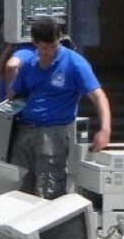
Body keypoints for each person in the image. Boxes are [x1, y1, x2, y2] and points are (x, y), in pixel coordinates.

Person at [8, 16, 111, 199]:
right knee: (20, 191)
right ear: (35, 44)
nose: (50, 52)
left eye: (53, 46)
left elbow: (98, 96)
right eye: (44, 48)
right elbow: (14, 94)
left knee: (48, 190)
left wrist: (105, 129)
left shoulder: (75, 63)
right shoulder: (30, 63)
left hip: (53, 134)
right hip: (24, 132)